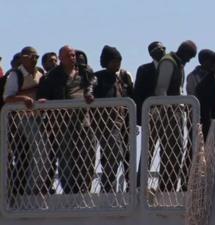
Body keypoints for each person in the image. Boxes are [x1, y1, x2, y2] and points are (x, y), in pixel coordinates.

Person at [37, 45, 96, 194]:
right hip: (63, 122)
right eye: (69, 56)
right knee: (66, 157)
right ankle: (69, 189)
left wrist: (89, 92)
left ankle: (84, 187)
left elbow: (93, 81)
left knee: (88, 154)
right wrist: (44, 101)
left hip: (84, 120)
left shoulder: (84, 70)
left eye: (74, 55)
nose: (73, 58)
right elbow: (43, 94)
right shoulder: (53, 76)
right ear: (61, 58)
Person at [3, 46, 49, 195]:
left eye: (36, 57)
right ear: (23, 58)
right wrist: (23, 98)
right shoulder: (15, 75)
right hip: (22, 119)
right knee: (38, 151)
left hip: (40, 118)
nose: (34, 59)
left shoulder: (40, 73)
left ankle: (35, 187)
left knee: (39, 153)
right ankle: (30, 190)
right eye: (31, 56)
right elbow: (7, 98)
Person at [153, 40, 197, 192]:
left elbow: (178, 90)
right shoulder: (168, 62)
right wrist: (168, 111)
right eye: (188, 57)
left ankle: (170, 186)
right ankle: (166, 188)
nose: (188, 61)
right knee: (171, 150)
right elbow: (161, 89)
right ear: (183, 52)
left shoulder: (179, 65)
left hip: (177, 112)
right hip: (168, 113)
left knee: (177, 150)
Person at [93, 45, 134, 193]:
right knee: (113, 154)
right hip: (105, 123)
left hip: (122, 123)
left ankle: (125, 186)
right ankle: (107, 187)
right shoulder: (98, 77)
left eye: (119, 60)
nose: (117, 64)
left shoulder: (122, 77)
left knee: (125, 155)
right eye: (114, 61)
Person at [133, 41, 166, 126]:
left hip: (168, 113)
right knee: (150, 139)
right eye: (158, 49)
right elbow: (138, 94)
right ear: (151, 54)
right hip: (150, 113)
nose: (162, 51)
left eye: (164, 48)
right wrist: (143, 114)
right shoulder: (144, 69)